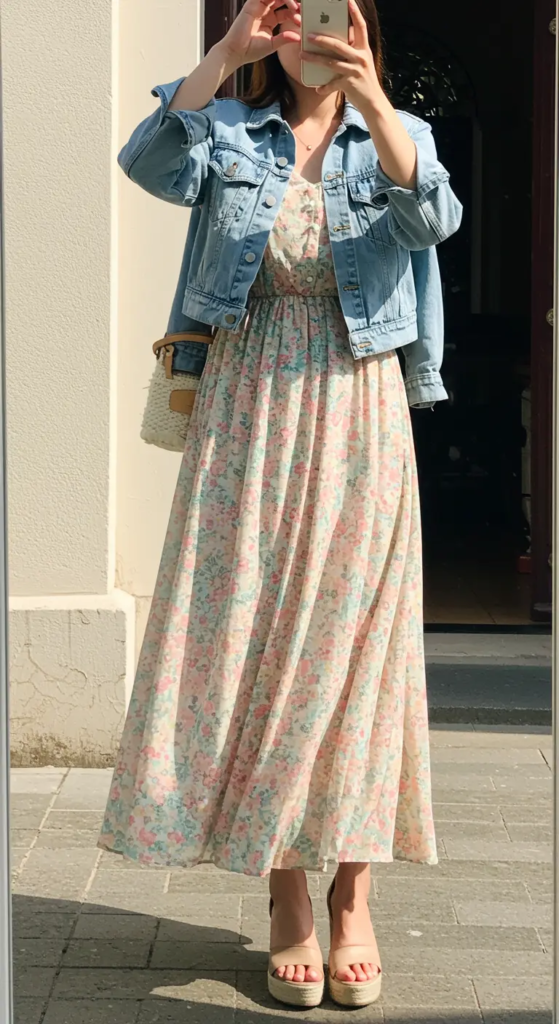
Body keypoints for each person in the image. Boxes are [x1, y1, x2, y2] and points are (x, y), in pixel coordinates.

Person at [98, 0, 462, 1009]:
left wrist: (374, 100)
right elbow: (146, 164)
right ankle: (287, 893)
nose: (313, 33)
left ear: (363, 29)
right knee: (252, 641)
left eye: (336, 15)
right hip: (247, 405)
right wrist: (219, 58)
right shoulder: (227, 128)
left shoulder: (400, 132)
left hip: (356, 407)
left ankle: (355, 895)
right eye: (295, 12)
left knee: (352, 654)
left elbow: (433, 218)